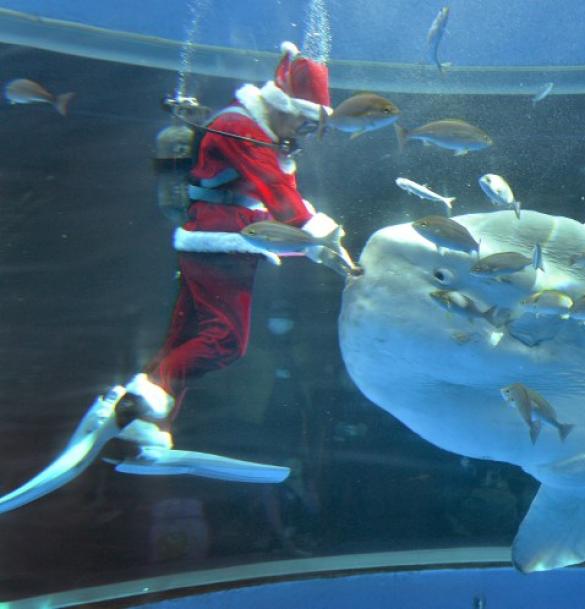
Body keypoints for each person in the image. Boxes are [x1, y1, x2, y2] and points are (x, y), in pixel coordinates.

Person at [0, 42, 355, 514]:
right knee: (225, 341)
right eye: (305, 122)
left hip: (217, 240)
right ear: (283, 104)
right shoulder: (241, 127)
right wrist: (319, 238)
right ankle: (124, 406)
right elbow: (279, 196)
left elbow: (274, 201)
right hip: (221, 245)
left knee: (183, 339)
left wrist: (314, 245)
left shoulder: (250, 128)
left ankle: (146, 429)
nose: (304, 135)